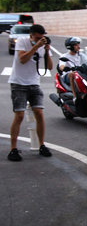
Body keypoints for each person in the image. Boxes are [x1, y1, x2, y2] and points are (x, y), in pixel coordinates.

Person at [7, 24, 53, 161]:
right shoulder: (22, 41)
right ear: (31, 36)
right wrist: (36, 47)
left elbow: (49, 67)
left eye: (42, 37)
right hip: (18, 83)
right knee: (19, 115)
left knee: (39, 112)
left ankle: (42, 145)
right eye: (37, 37)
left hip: (34, 83)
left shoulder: (43, 45)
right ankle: (13, 149)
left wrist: (46, 50)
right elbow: (22, 60)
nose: (40, 39)